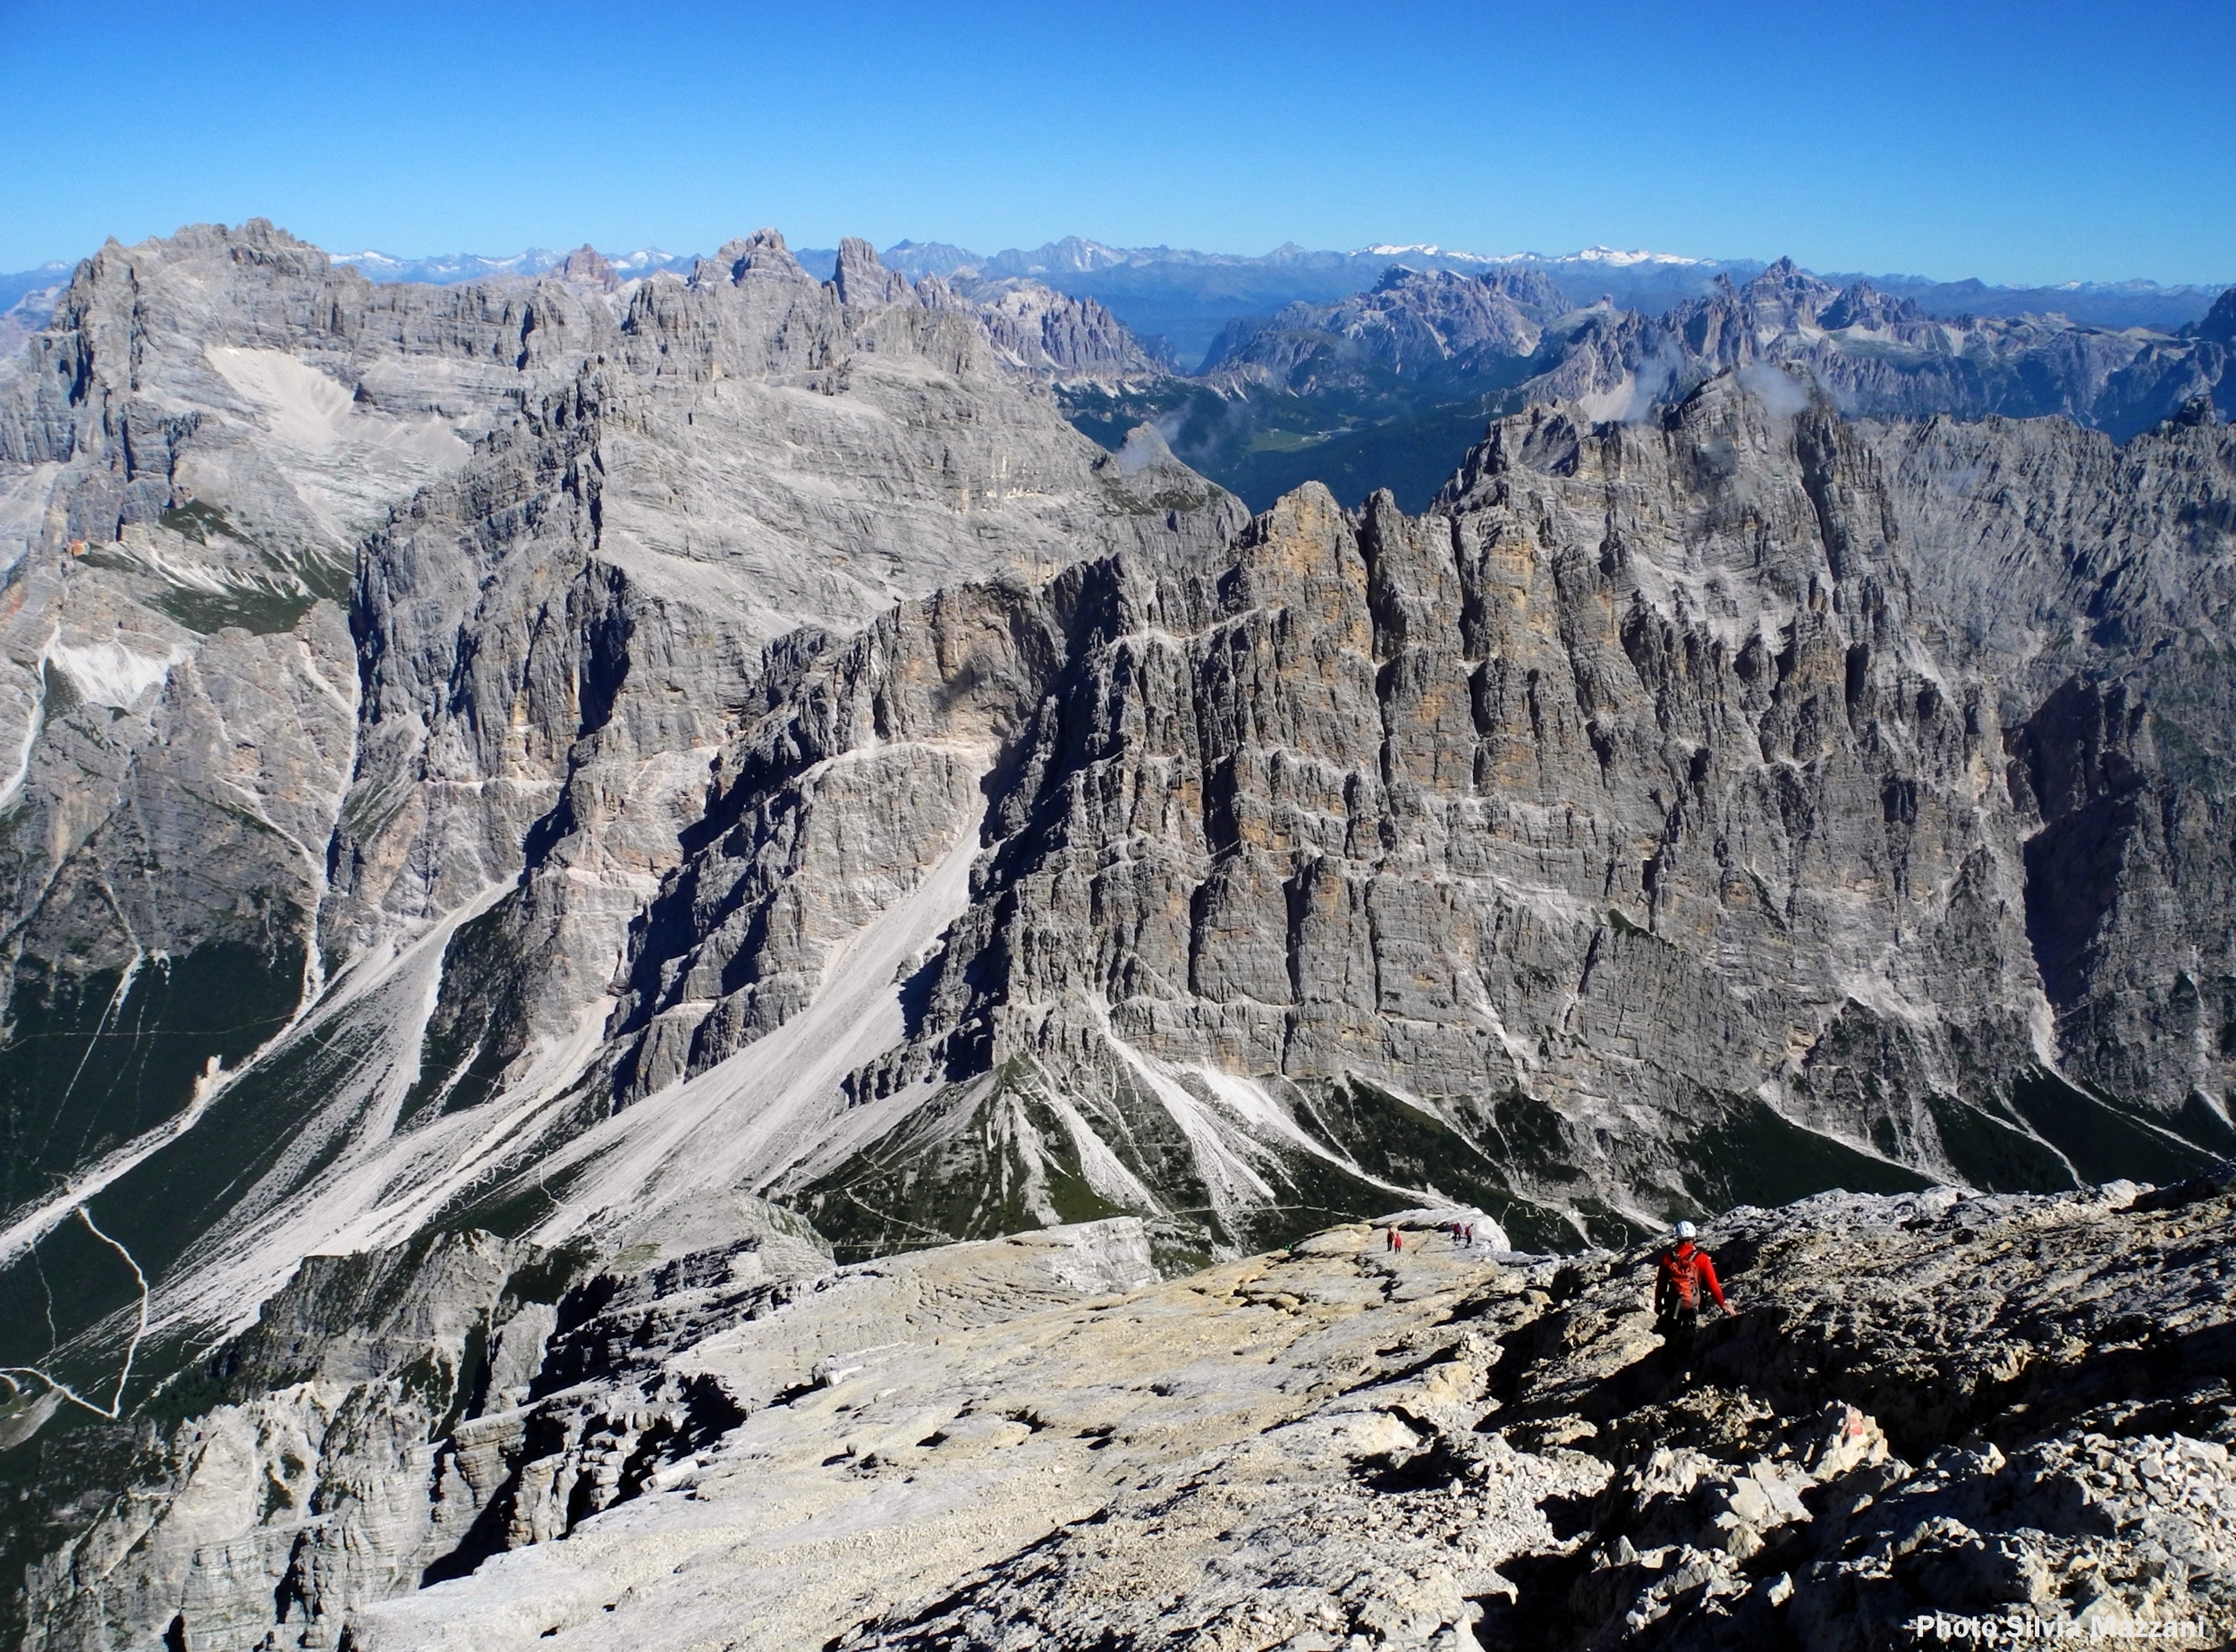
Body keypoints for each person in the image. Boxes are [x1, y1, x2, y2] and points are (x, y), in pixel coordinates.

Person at [1655, 1221, 1731, 1357]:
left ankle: (1668, 1365)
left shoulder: (1667, 1258)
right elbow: (1713, 1284)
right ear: (1694, 1237)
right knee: (1689, 1329)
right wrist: (1723, 1305)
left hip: (1674, 1303)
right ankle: (1684, 1358)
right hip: (1692, 1302)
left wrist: (1658, 1304)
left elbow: (1661, 1284)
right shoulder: (1701, 1259)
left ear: (1677, 1237)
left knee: (1673, 1330)